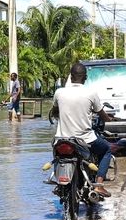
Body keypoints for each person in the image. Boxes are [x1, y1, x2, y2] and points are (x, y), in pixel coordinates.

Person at [50, 62, 116, 197]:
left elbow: (55, 111)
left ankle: (59, 182)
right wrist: (109, 119)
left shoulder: (59, 92)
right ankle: (99, 185)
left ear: (70, 76)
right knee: (106, 149)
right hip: (85, 139)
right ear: (85, 78)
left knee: (57, 155)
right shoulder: (91, 93)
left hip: (62, 138)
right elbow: (102, 116)